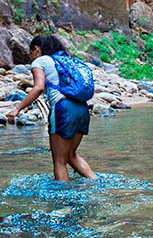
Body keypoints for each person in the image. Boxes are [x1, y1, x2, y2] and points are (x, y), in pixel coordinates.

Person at [6, 34, 96, 182]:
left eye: (31, 53)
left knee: (59, 161)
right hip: (82, 108)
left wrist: (17, 109)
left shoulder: (40, 61)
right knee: (71, 155)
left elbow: (38, 88)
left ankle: (63, 201)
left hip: (64, 108)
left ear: (36, 49)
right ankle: (95, 183)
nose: (31, 57)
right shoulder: (68, 61)